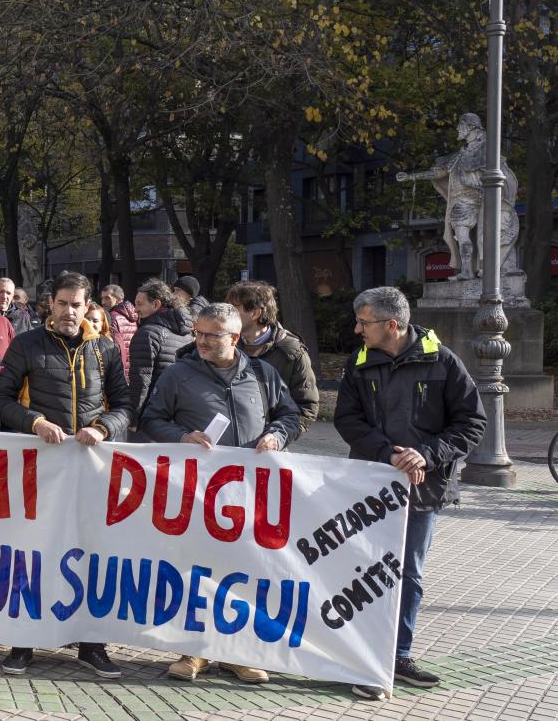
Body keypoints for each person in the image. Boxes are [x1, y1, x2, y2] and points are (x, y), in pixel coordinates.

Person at [140, 302, 302, 686]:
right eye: (198, 333)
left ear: (234, 337)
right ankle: (193, 651)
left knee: (245, 570)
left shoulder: (263, 374)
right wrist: (181, 436)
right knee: (198, 570)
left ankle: (238, 654)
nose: (202, 341)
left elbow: (290, 415)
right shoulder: (179, 374)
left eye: (211, 335)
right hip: (195, 495)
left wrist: (276, 435)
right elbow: (150, 418)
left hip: (250, 494)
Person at [336, 287, 485, 701]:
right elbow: (346, 419)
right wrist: (386, 453)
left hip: (423, 490)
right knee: (366, 572)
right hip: (371, 488)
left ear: (391, 325)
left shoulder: (444, 362)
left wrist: (426, 455)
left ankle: (398, 655)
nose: (356, 329)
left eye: (363, 323)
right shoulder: (359, 362)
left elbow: (472, 423)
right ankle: (362, 655)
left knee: (408, 576)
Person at [0, 271, 131, 678]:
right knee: (32, 552)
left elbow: (125, 405)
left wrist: (102, 428)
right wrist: (34, 422)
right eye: (63, 303)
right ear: (50, 304)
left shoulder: (104, 348)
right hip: (38, 467)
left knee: (90, 554)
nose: (70, 311)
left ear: (89, 306)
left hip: (90, 469)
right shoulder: (26, 344)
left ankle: (91, 644)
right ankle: (23, 642)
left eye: (78, 304)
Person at [225, 280, 320, 442]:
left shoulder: (291, 352)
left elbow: (306, 407)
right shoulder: (224, 344)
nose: (227, 316)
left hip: (266, 452)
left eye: (234, 309)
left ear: (255, 313)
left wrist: (277, 437)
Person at [126, 278, 193, 434]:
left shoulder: (147, 333)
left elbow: (141, 380)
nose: (135, 309)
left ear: (156, 304)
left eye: (140, 304)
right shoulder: (188, 333)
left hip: (151, 415)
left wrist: (133, 418)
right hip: (180, 414)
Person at [101, 285, 139, 372]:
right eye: (102, 298)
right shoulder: (133, 316)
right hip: (132, 367)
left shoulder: (111, 317)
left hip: (119, 369)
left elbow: (116, 346)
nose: (103, 302)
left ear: (118, 299)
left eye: (107, 298)